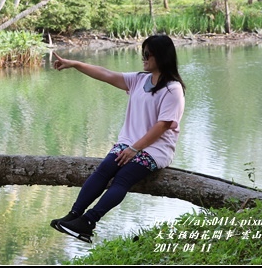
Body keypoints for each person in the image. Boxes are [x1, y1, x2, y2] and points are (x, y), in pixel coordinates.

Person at [49, 34, 186, 243]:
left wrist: (135, 149)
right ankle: (74, 216)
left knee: (123, 178)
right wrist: (75, 64)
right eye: (143, 53)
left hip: (155, 149)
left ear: (161, 56)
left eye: (147, 54)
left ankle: (88, 222)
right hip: (129, 143)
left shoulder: (172, 89)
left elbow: (163, 125)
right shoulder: (139, 79)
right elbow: (105, 74)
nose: (144, 57)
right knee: (104, 169)